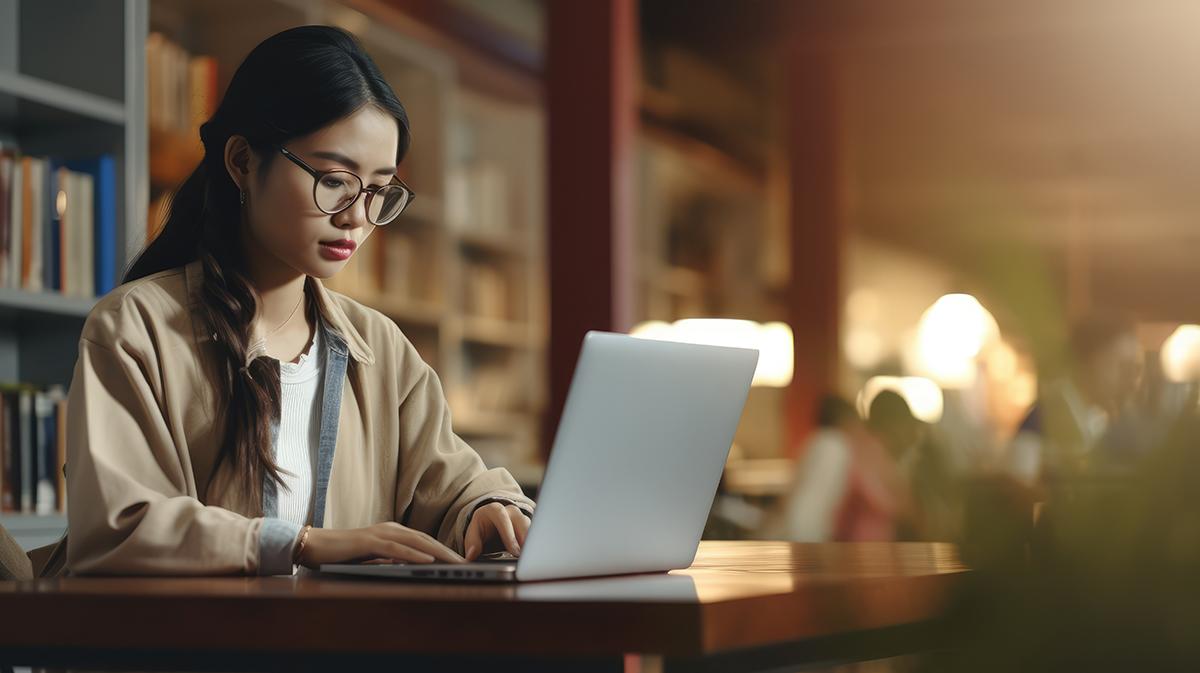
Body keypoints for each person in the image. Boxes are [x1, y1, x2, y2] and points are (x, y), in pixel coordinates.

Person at [59, 26, 534, 577]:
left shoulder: (379, 348)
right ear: (241, 161)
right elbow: (120, 527)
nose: (357, 216)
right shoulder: (136, 328)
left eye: (379, 190)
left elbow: (452, 483)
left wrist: (487, 508)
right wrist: (302, 542)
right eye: (335, 180)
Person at [1007, 312, 1144, 487]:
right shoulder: (1041, 421)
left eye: (1135, 370)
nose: (1131, 382)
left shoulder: (1106, 422)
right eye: (1121, 367)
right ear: (1088, 362)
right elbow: (1017, 489)